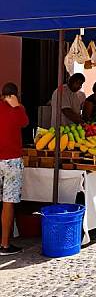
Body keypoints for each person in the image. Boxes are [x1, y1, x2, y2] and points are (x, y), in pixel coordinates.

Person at [0, 83, 29, 255]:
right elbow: (25, 123)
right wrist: (17, 105)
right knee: (8, 204)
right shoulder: (19, 109)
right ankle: (4, 244)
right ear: (16, 95)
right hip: (12, 161)